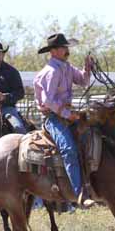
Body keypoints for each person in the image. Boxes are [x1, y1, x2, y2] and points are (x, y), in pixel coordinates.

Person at [34, 33, 93, 205]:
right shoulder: (51, 72)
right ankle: (78, 193)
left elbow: (83, 81)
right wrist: (68, 115)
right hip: (53, 117)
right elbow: (48, 101)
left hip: (67, 113)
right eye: (63, 48)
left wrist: (87, 68)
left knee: (93, 138)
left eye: (67, 47)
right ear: (53, 51)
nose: (67, 50)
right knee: (68, 149)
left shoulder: (66, 67)